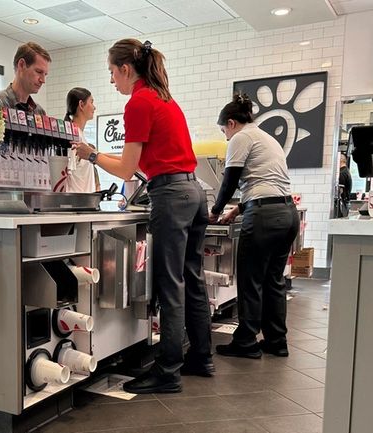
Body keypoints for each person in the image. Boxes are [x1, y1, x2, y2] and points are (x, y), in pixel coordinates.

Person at [73, 39, 214, 394]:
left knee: (170, 286)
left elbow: (125, 169)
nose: (110, 82)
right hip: (194, 193)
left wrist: (92, 155)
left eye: (111, 73)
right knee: (191, 279)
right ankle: (201, 357)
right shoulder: (164, 97)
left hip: (171, 196)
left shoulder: (139, 102)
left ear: (125, 69)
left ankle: (168, 372)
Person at [208, 93, 300, 359]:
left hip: (264, 218)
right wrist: (237, 209)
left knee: (251, 281)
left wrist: (215, 211)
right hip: (286, 213)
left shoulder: (240, 138)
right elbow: (266, 184)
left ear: (232, 123)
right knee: (274, 280)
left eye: (223, 129)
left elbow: (230, 180)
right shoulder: (266, 138)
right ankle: (276, 341)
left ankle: (246, 342)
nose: (225, 135)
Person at [0, 41, 50, 115]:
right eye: (38, 72)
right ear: (21, 65)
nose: (43, 80)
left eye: (45, 74)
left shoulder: (39, 112)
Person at [64, 87, 100, 193]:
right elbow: (69, 175)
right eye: (91, 102)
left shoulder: (80, 135)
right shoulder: (72, 135)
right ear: (81, 105)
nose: (94, 107)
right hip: (77, 204)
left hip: (84, 202)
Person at [336, 153, 352, 217]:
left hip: (342, 203)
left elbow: (340, 190)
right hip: (345, 202)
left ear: (340, 161)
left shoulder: (342, 173)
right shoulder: (346, 171)